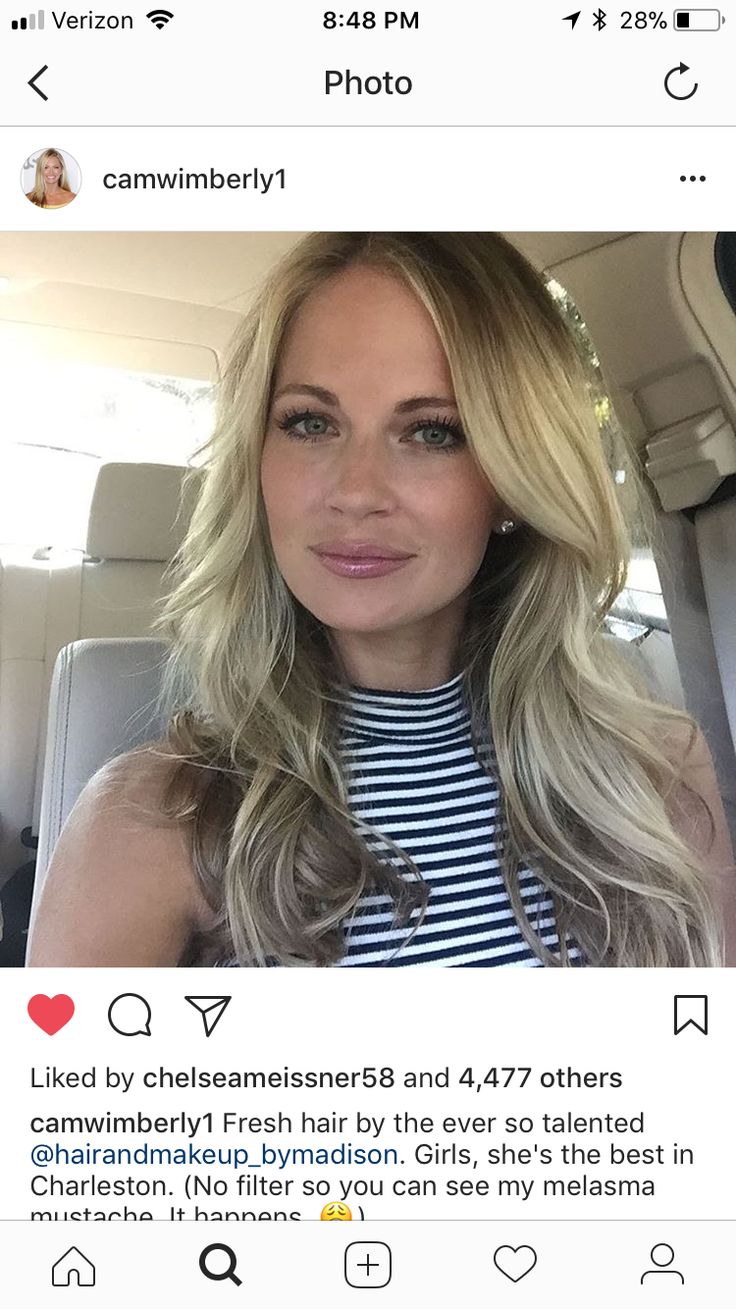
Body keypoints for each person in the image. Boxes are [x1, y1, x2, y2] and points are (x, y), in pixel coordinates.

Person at [26, 232, 736, 968]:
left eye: (432, 431)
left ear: (513, 481)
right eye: (310, 422)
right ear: (257, 463)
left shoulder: (657, 769)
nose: (357, 490)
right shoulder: (154, 820)